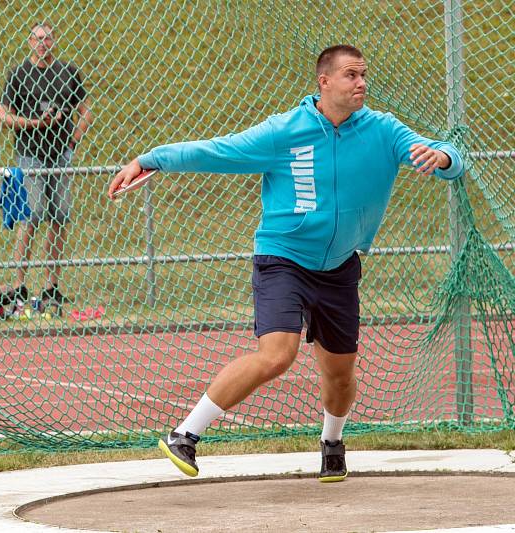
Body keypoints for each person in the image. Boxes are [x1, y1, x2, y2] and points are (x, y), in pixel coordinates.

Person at [108, 45, 464, 482]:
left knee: (340, 374)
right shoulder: (285, 132)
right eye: (351, 75)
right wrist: (150, 159)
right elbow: (219, 151)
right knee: (277, 355)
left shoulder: (383, 131)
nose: (361, 84)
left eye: (364, 75)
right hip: (284, 258)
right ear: (325, 82)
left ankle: (332, 444)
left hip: (339, 267)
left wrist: (443, 158)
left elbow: (442, 154)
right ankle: (185, 435)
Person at [0, 22, 92, 312]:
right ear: (29, 42)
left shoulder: (67, 72)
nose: (43, 43)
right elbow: (0, 117)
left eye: (47, 38)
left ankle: (51, 286)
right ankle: (19, 285)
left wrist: (72, 140)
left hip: (60, 154)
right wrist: (34, 123)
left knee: (59, 217)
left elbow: (86, 112)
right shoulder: (19, 74)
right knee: (32, 215)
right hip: (30, 154)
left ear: (54, 41)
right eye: (38, 38)